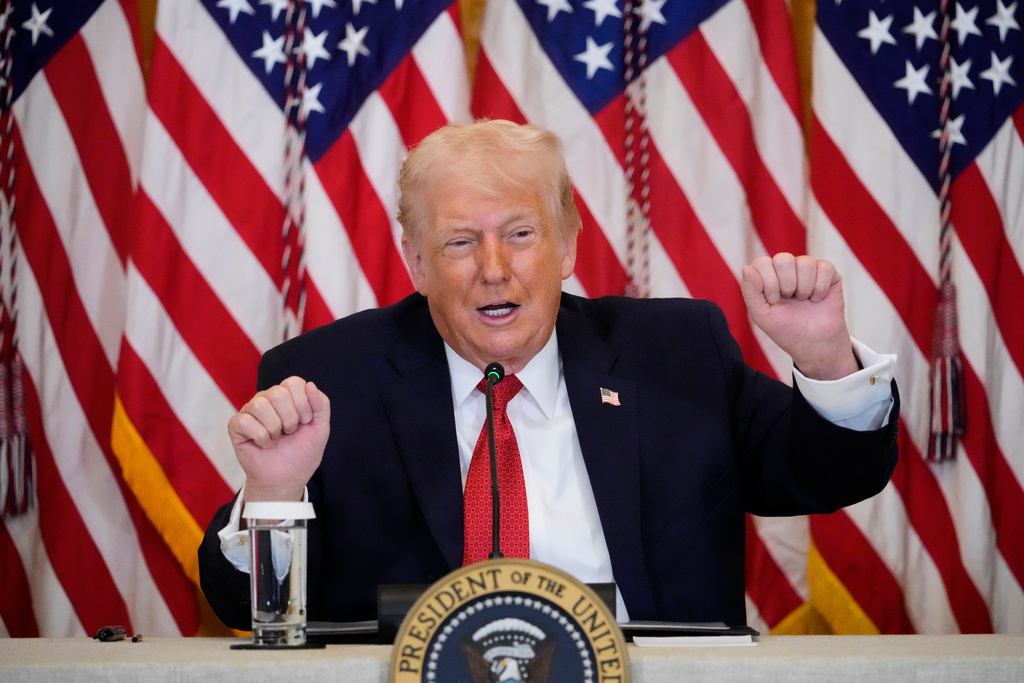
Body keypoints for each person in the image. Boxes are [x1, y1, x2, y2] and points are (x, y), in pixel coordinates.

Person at [198, 120, 898, 630]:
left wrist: (826, 356)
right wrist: (273, 495)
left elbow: (832, 472)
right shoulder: (328, 379)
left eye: (521, 234)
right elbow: (240, 605)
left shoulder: (676, 353)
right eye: (460, 242)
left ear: (566, 244)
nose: (495, 268)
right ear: (416, 262)